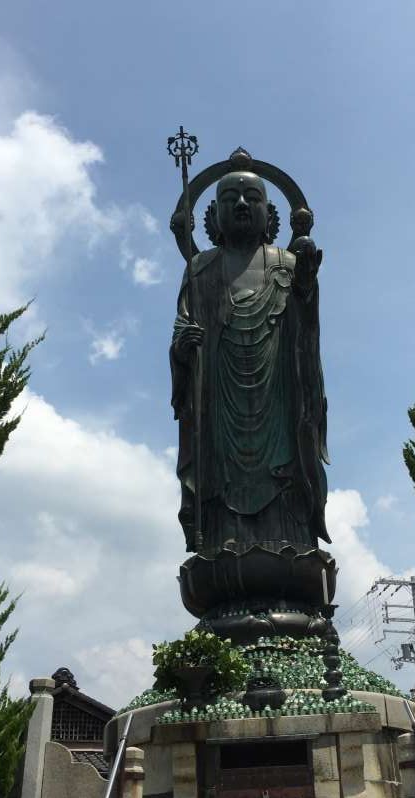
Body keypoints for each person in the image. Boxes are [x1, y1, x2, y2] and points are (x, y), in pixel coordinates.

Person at [170, 170, 330, 554]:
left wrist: (306, 287)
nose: (241, 204)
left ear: (268, 213)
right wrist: (183, 347)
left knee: (286, 471)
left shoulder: (287, 263)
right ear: (214, 216)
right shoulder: (200, 269)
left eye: (251, 197)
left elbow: (306, 337)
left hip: (278, 396)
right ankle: (223, 543)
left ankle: (290, 540)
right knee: (222, 477)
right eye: (230, 198)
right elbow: (182, 328)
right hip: (219, 404)